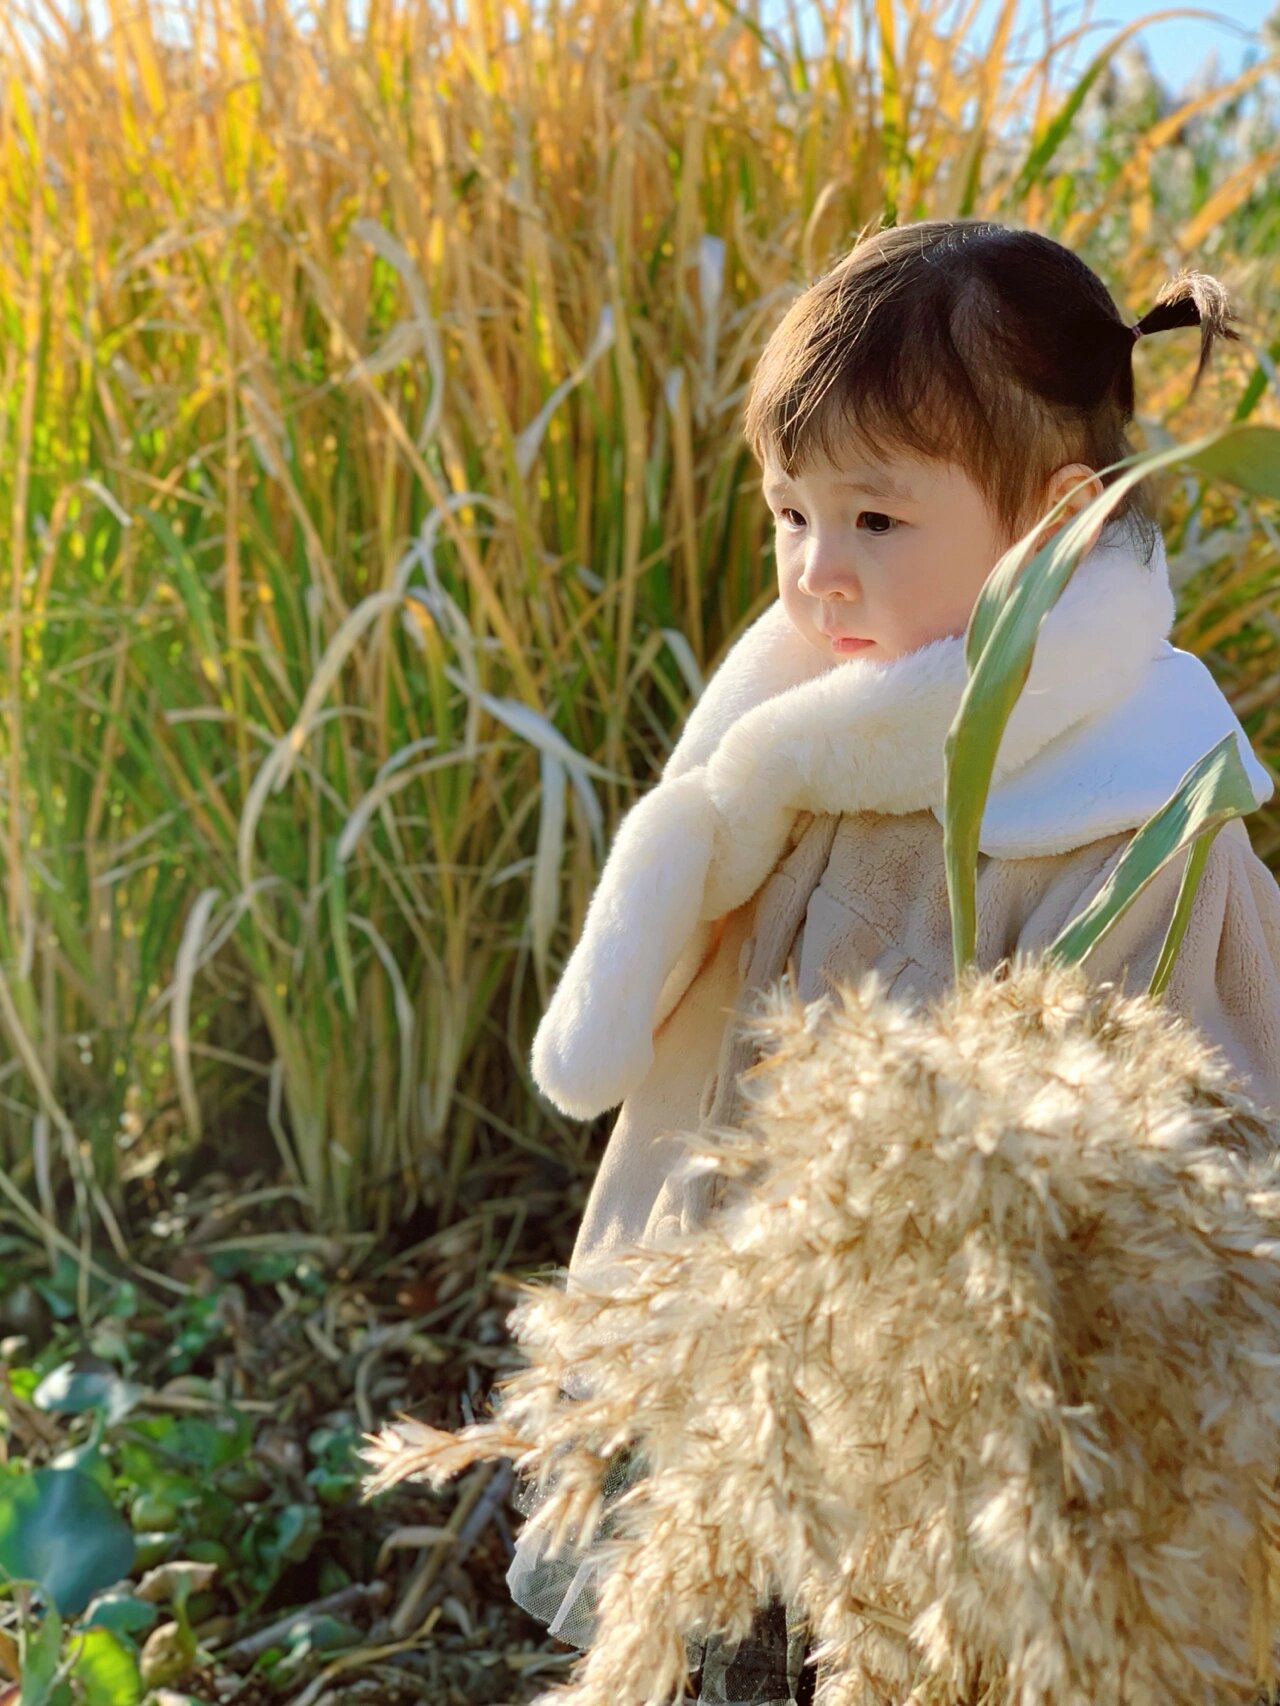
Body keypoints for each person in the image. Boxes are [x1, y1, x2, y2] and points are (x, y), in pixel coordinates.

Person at [504, 218, 1280, 1704]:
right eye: (791, 513)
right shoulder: (809, 740)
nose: (818, 573)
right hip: (759, 1348)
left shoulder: (1121, 803)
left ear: (1054, 524)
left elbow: (1157, 1124)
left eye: (874, 521)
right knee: (738, 1623)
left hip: (967, 1393)